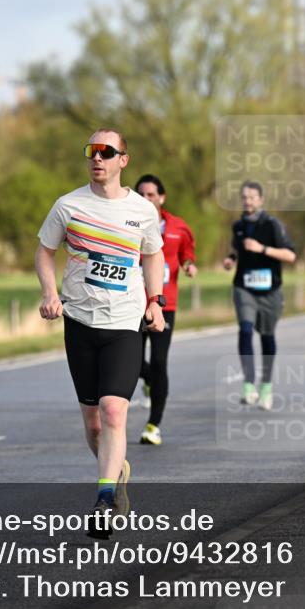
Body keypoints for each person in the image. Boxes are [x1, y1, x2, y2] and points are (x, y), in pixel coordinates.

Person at [36, 128, 165, 539]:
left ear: (123, 160)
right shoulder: (69, 206)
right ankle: (116, 470)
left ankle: (105, 500)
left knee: (114, 410)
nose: (97, 158)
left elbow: (153, 253)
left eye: (107, 152)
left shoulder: (143, 211)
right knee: (93, 424)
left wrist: (155, 300)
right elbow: (44, 251)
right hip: (79, 321)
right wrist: (50, 293)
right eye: (92, 151)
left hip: (125, 322)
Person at [222, 181, 297, 410]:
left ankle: (265, 385)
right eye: (244, 197)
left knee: (267, 337)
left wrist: (262, 249)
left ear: (261, 200)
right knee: (245, 329)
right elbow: (237, 249)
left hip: (270, 290)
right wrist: (230, 260)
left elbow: (291, 255)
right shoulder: (238, 226)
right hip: (244, 287)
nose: (248, 201)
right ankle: (248, 383)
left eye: (252, 197)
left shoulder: (272, 225)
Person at [134, 174, 197, 446]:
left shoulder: (178, 227)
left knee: (159, 362)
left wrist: (189, 264)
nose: (146, 199)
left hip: (163, 303)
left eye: (150, 195)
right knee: (131, 361)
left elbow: (186, 251)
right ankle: (147, 379)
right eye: (141, 194)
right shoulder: (127, 223)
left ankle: (153, 425)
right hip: (132, 303)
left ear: (161, 197)